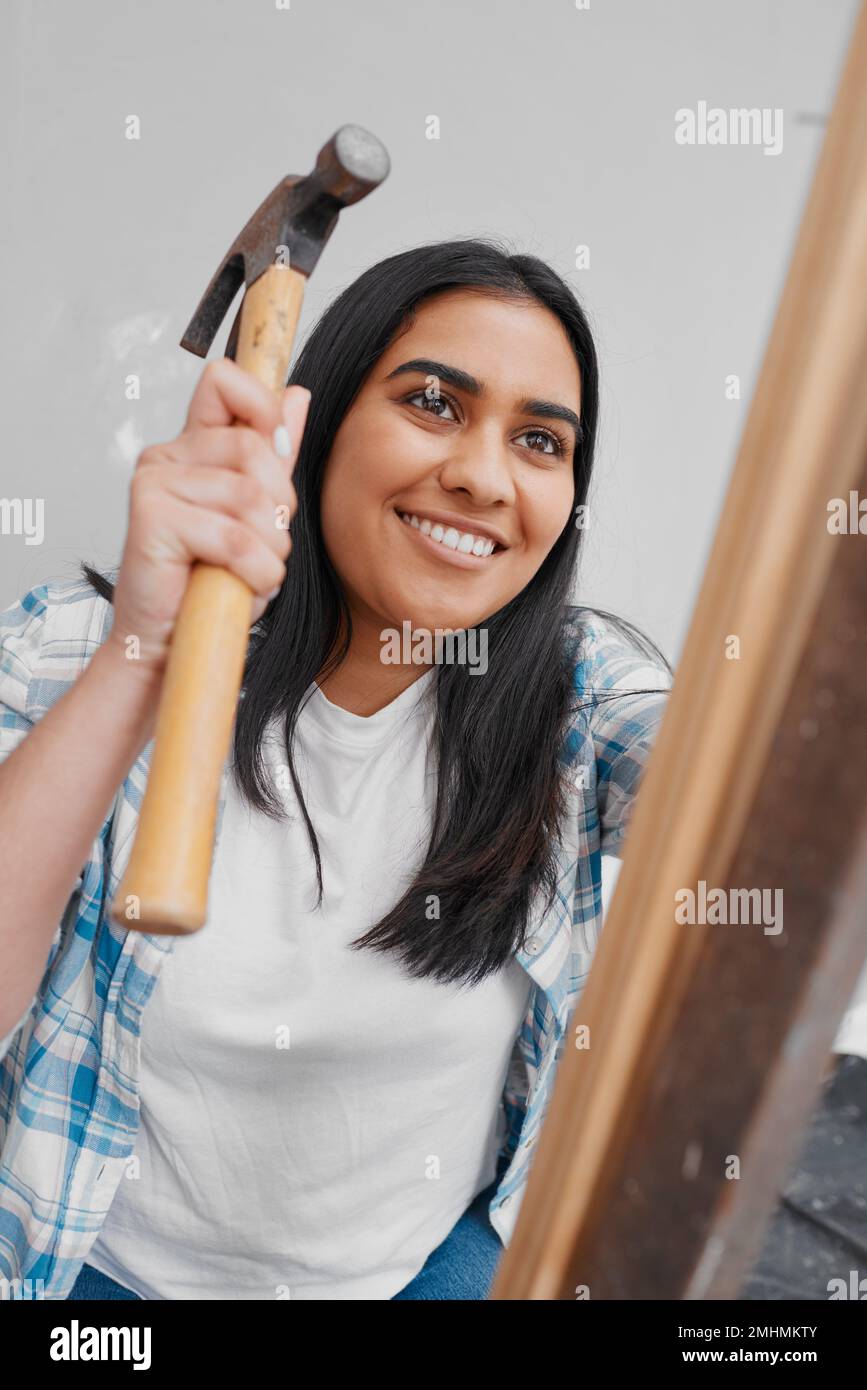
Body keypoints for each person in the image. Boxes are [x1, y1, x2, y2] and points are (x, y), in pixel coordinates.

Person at [0, 239, 673, 1300]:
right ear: (308, 431)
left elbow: (781, 798)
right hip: (94, 1278)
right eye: (435, 403)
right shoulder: (72, 649)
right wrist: (143, 651)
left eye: (540, 440)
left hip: (425, 1274)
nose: (483, 476)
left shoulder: (585, 696)